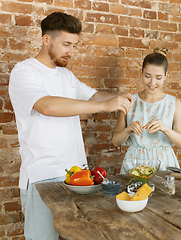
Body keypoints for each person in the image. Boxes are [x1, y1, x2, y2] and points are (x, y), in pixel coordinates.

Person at [8, 12, 133, 240]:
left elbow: (94, 96)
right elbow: (46, 106)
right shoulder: (24, 72)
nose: (72, 52)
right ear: (46, 40)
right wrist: (106, 106)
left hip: (77, 176)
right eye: (66, 44)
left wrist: (121, 98)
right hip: (42, 178)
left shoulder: (66, 76)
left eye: (74, 45)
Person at [112, 47, 181, 170]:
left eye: (158, 77)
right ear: (141, 73)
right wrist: (128, 130)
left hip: (164, 163)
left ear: (166, 76)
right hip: (134, 162)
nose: (152, 82)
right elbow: (116, 141)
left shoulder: (174, 103)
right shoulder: (129, 102)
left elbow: (180, 142)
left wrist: (164, 128)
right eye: (147, 76)